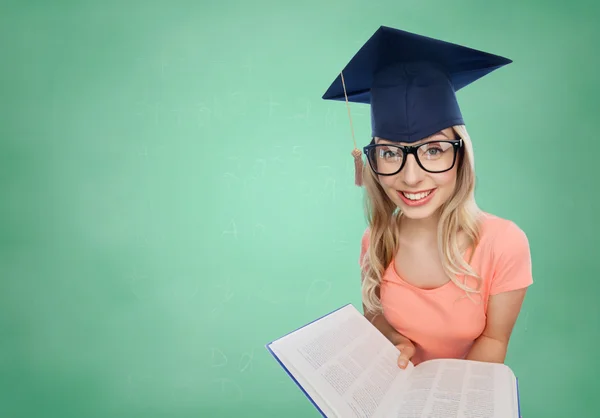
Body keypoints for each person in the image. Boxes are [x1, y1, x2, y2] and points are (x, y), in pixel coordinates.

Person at [322, 26, 533, 369]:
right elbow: (375, 317)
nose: (410, 177)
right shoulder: (376, 240)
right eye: (390, 153)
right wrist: (392, 339)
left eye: (433, 150)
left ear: (461, 154)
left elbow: (494, 340)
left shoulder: (504, 243)